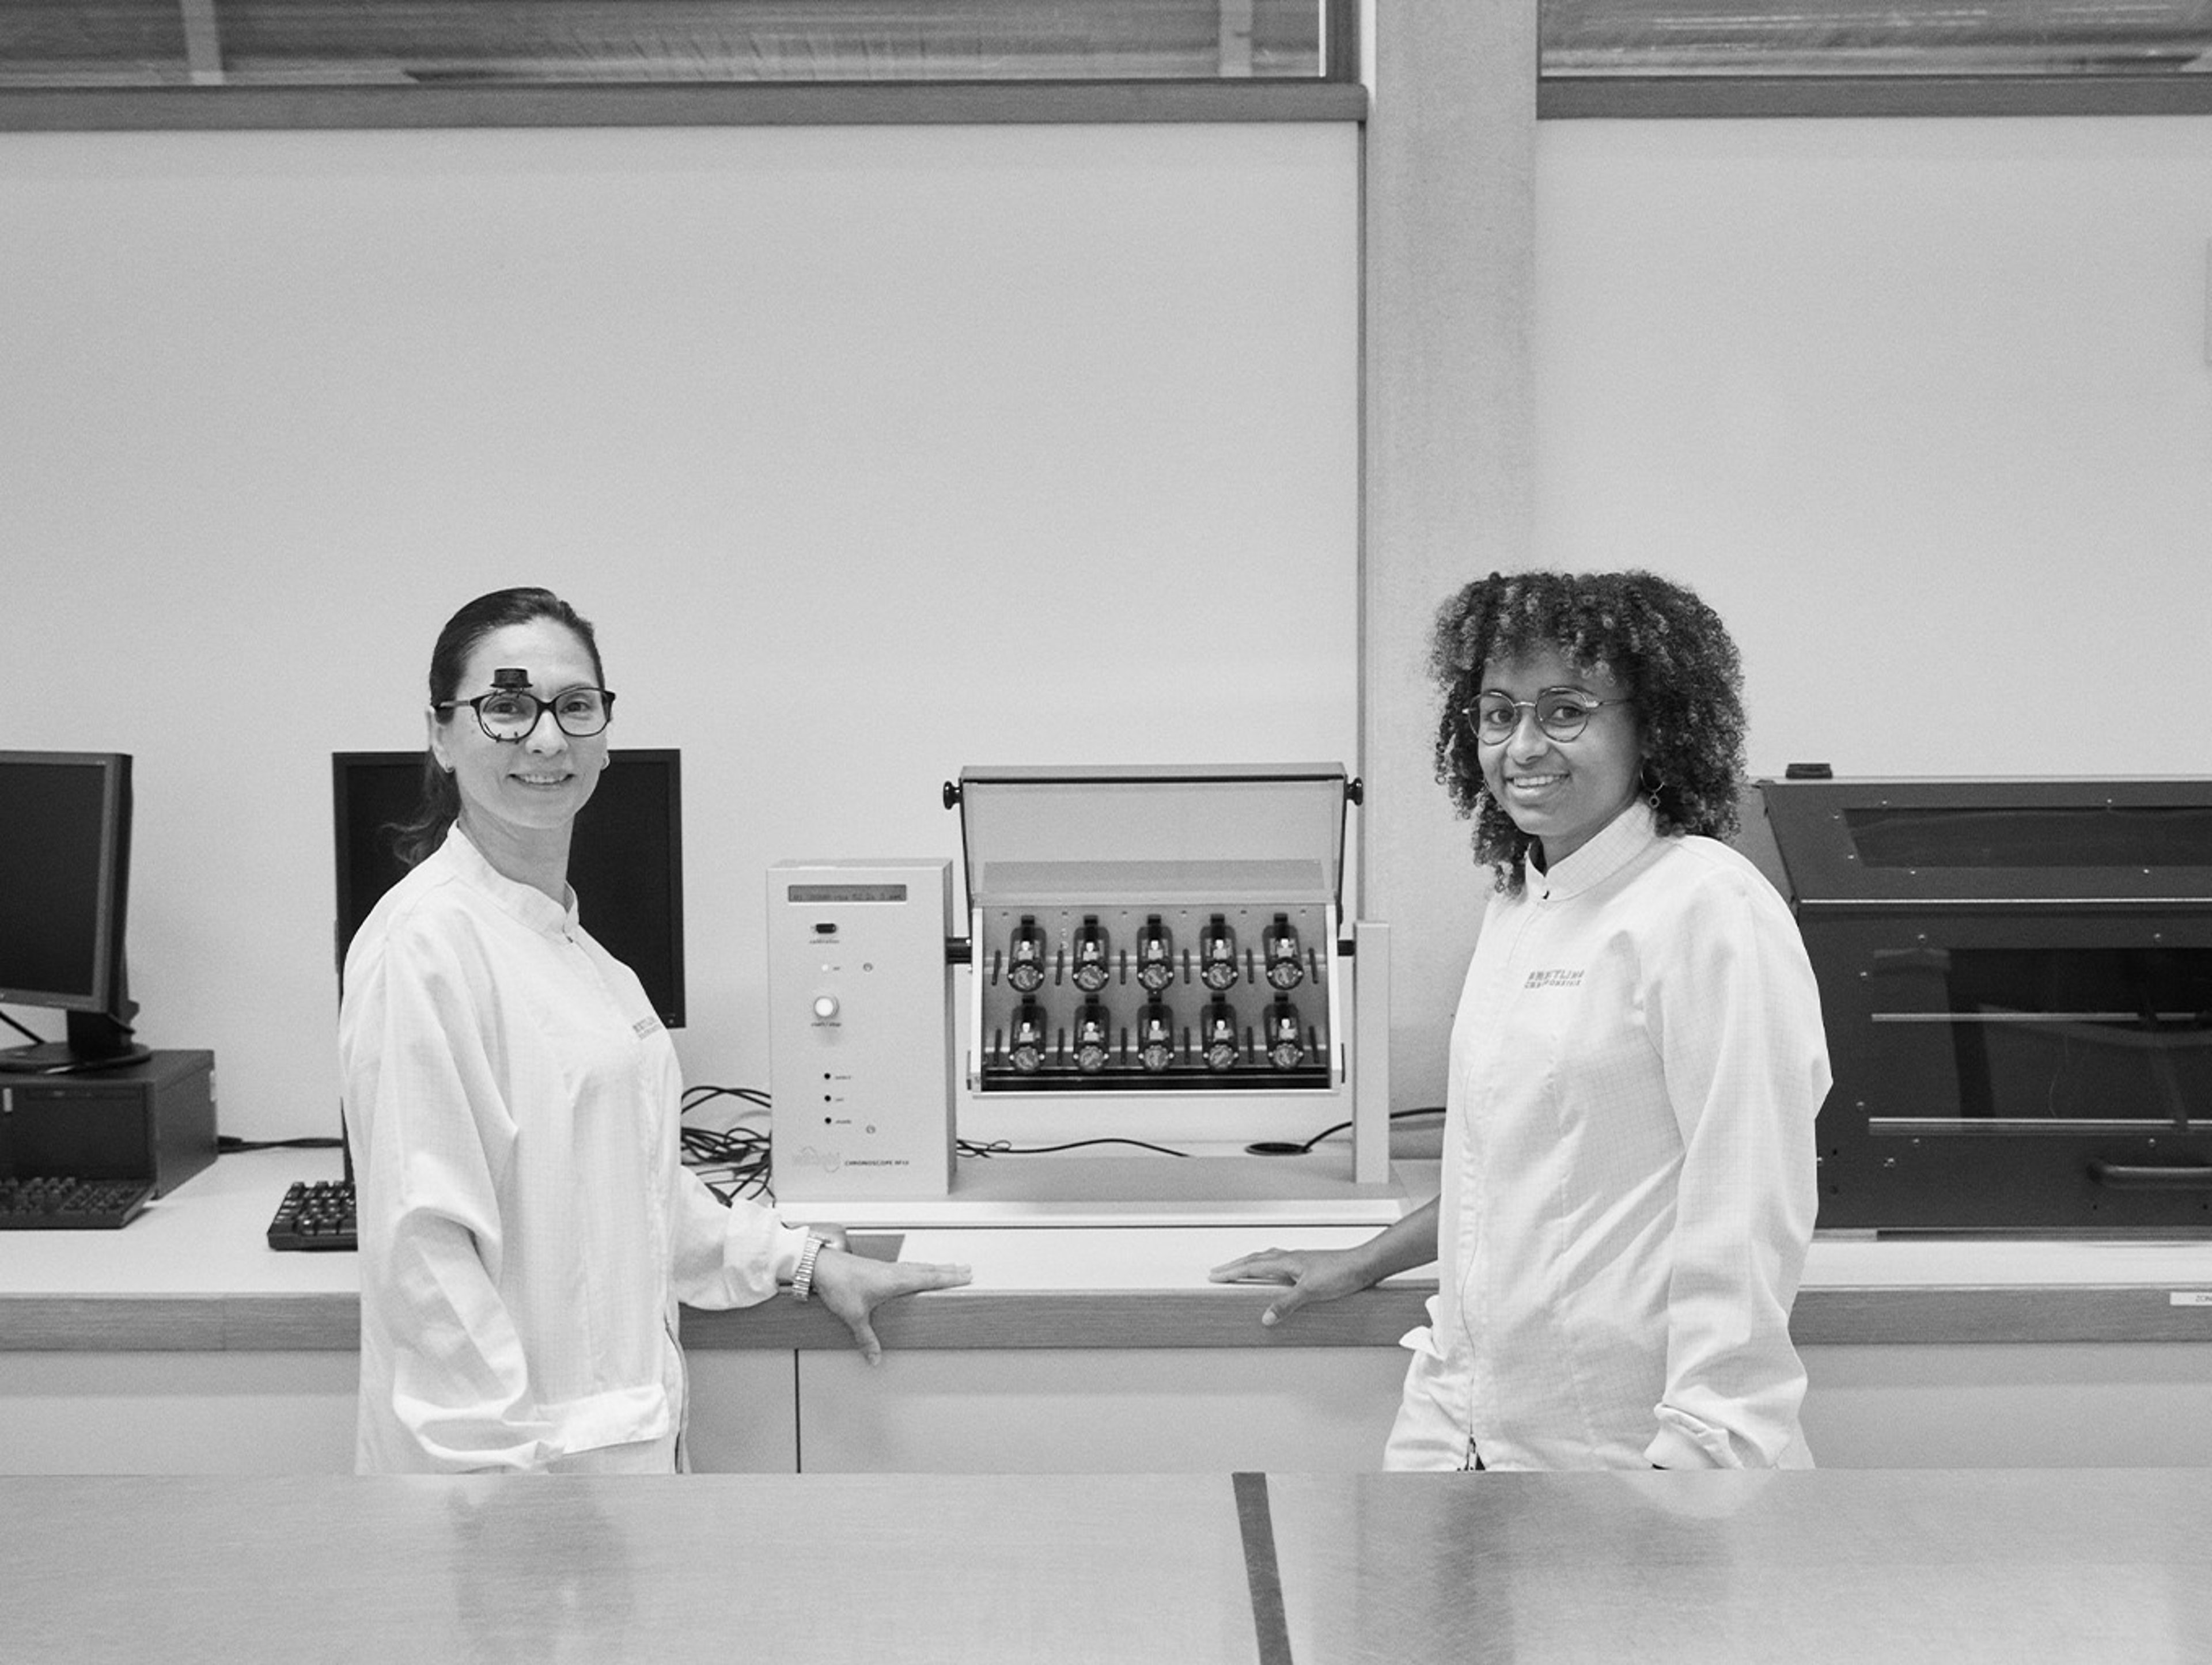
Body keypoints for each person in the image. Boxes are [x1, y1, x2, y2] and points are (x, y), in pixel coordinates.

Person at [341, 586, 970, 1474]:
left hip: (608, 1468)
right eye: (507, 708)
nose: (548, 739)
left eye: (575, 707)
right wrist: (502, 1504)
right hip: (510, 1495)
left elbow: (632, 1188)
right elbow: (424, 1262)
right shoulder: (426, 948)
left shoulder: (580, 957)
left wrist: (801, 1261)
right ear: (443, 735)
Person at [1211, 569, 1829, 1471]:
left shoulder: (1705, 906)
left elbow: (1747, 1210)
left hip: (1628, 1452)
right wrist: (1366, 1260)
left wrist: (1700, 1460)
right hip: (1464, 1419)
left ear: (1653, 725)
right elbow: (1509, 1166)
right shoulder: (1521, 902)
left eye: (1566, 712)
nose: (1523, 745)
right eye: (1498, 714)